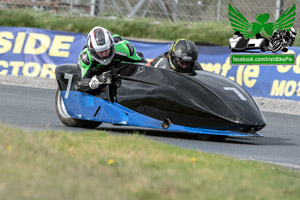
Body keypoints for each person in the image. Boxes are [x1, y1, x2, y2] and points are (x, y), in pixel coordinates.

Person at [76, 26, 147, 91]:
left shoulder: (124, 48)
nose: (104, 54)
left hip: (121, 74)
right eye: (100, 52)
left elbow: (143, 64)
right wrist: (98, 80)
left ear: (111, 45)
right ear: (93, 51)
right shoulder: (86, 58)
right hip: (97, 75)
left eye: (106, 50)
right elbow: (80, 84)